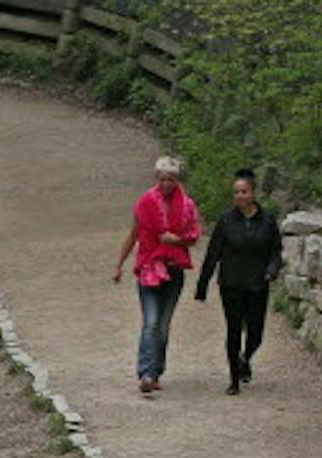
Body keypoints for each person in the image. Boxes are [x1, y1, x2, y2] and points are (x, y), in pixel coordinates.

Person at [111, 157, 204, 395]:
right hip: (149, 269)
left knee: (163, 325)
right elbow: (133, 236)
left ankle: (157, 369)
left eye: (170, 180)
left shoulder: (187, 206)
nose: (166, 184)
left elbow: (194, 234)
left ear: (176, 181)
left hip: (174, 270)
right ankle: (146, 373)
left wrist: (177, 240)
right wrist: (119, 265)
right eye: (162, 179)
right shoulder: (145, 204)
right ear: (156, 179)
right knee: (151, 322)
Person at [194, 168, 285, 395]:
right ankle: (234, 378)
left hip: (257, 282)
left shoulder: (267, 221)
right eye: (236, 192)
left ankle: (246, 358)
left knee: (256, 332)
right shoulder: (226, 221)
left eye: (244, 192)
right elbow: (213, 253)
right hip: (231, 283)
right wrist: (202, 285)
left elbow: (276, 251)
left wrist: (272, 270)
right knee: (233, 330)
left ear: (253, 193)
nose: (240, 196)